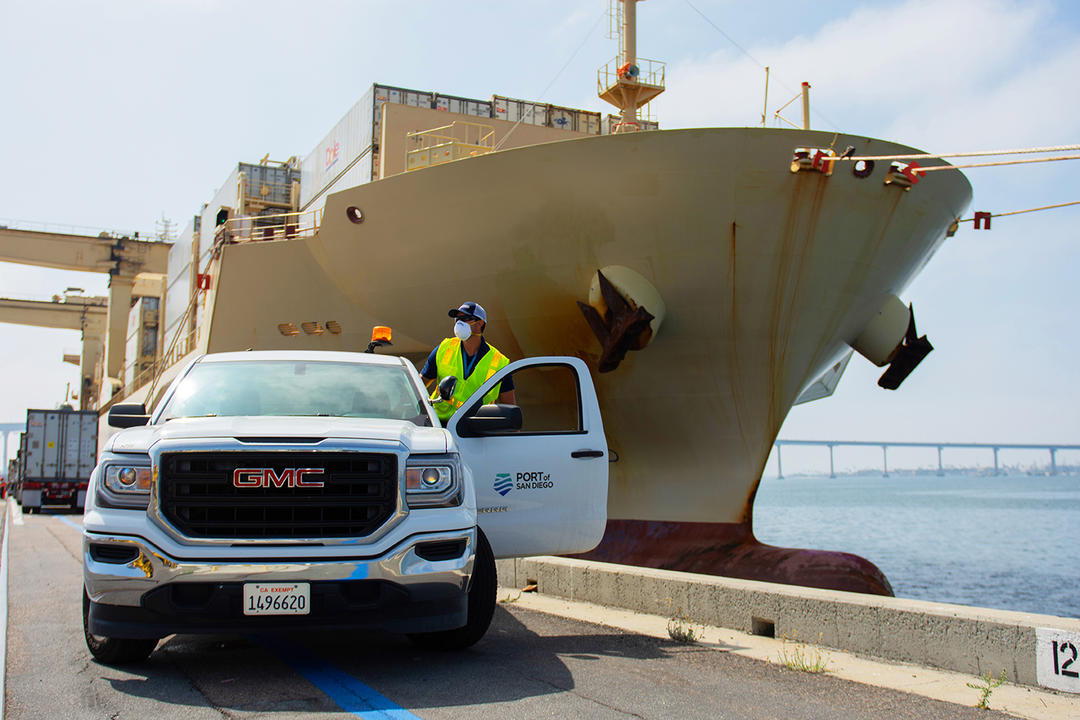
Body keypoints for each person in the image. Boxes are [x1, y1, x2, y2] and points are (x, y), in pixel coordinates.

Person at [420, 301, 515, 422]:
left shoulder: (500, 362)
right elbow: (420, 384)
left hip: (475, 431)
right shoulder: (444, 348)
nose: (459, 322)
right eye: (457, 319)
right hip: (439, 425)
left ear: (480, 323)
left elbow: (511, 409)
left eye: (465, 318)